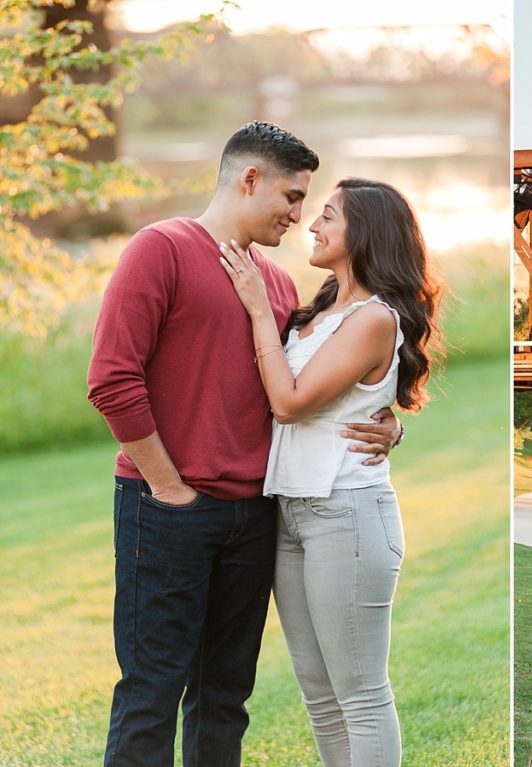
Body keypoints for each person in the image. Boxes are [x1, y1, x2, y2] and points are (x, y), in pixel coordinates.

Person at [87, 122, 401, 767]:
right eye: (291, 196)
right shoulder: (160, 249)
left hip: (258, 515)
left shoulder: (279, 288)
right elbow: (112, 380)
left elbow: (313, 387)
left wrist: (390, 419)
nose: (299, 214)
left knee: (225, 697)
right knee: (151, 691)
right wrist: (169, 487)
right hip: (167, 507)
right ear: (248, 179)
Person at [217, 176, 440, 767]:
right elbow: (341, 405)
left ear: (363, 233)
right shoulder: (317, 311)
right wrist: (390, 423)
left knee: (361, 696)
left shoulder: (373, 318)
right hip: (291, 513)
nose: (311, 226)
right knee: (320, 697)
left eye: (328, 216)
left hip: (347, 515)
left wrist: (260, 313)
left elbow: (290, 402)